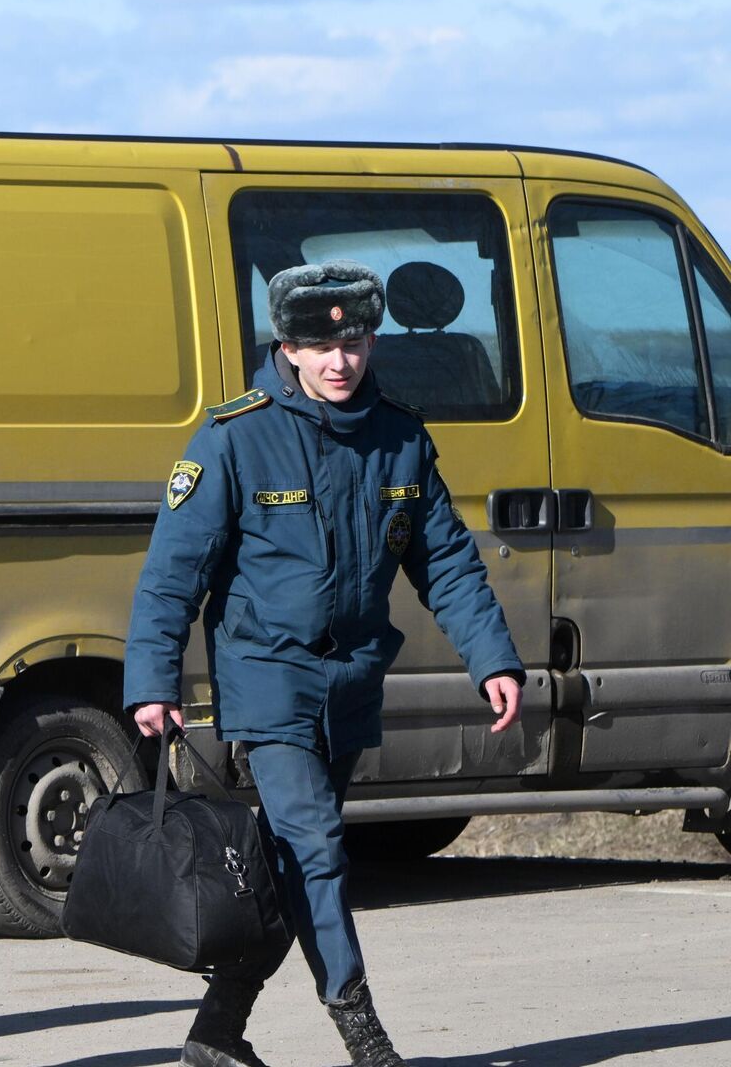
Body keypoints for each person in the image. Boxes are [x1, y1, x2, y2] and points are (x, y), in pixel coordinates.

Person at [123, 261, 525, 1067]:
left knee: (285, 865)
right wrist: (151, 683)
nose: (339, 361)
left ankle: (216, 1032)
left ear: (371, 340)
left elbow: (444, 561)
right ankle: (363, 1033)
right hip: (267, 678)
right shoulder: (235, 436)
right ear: (289, 346)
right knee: (316, 851)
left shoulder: (400, 439)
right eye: (319, 344)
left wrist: (494, 661)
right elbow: (174, 572)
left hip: (349, 684)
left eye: (354, 341)